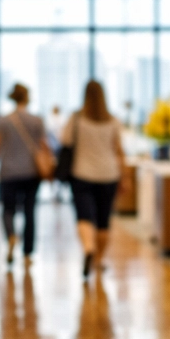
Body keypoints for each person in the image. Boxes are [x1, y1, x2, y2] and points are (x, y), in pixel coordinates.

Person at [63, 79, 128, 280]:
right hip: (109, 174)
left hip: (82, 174)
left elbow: (65, 141)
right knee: (103, 220)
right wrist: (125, 177)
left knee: (84, 216)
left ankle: (88, 248)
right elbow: (119, 150)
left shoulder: (76, 119)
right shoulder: (113, 121)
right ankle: (99, 260)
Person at [0, 83, 51, 268]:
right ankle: (27, 253)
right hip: (31, 173)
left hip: (8, 172)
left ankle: (11, 236)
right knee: (29, 211)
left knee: (8, 209)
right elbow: (43, 144)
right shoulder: (37, 120)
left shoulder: (4, 120)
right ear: (27, 97)